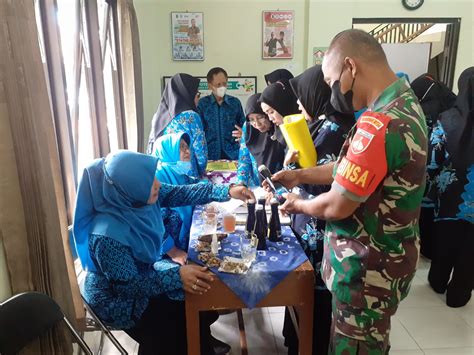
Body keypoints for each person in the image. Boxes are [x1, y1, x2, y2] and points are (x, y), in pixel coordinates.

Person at [273, 29, 427, 354]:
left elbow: (338, 205)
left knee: (355, 348)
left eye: (332, 82)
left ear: (351, 67)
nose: (333, 93)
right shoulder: (403, 103)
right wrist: (299, 174)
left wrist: (298, 204)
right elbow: (349, 171)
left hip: (366, 275)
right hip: (383, 263)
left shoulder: (380, 123)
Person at [73, 150, 254, 355]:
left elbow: (183, 192)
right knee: (174, 324)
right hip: (116, 297)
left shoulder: (138, 197)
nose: (158, 184)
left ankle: (202, 343)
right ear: (129, 188)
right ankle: (188, 344)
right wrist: (176, 276)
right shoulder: (107, 235)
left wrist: (228, 191)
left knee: (194, 299)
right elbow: (129, 287)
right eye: (149, 181)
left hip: (143, 271)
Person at [280, 65, 355, 355]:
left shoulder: (335, 129)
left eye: (301, 97)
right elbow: (303, 172)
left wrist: (294, 171)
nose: (298, 104)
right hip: (309, 219)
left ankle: (309, 345)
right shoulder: (322, 124)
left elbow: (320, 184)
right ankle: (299, 341)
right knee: (304, 292)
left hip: (320, 225)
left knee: (317, 298)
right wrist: (292, 167)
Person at [427, 67, 474, 308]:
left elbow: (434, 157)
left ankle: (438, 280)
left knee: (446, 237)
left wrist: (431, 181)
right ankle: (459, 294)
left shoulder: (446, 119)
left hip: (450, 193)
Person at [411, 73, 457, 259]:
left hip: (429, 166)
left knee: (425, 211)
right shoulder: (452, 104)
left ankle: (426, 249)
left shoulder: (424, 110)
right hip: (452, 172)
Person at [147, 73, 207, 177]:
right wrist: (201, 173)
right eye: (197, 94)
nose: (198, 98)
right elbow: (201, 155)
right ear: (188, 94)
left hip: (163, 175)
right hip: (187, 177)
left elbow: (150, 148)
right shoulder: (191, 116)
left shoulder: (157, 116)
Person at [153, 132, 196, 266]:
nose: (187, 151)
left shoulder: (179, 173)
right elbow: (153, 221)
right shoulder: (158, 176)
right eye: (181, 147)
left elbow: (193, 189)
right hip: (164, 253)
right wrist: (173, 251)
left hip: (181, 244)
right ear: (167, 151)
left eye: (187, 147)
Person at [236, 93, 286, 187]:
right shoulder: (248, 128)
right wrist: (241, 183)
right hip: (257, 185)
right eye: (251, 119)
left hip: (281, 184)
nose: (257, 124)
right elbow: (244, 159)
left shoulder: (280, 128)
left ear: (267, 115)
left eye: (260, 117)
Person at [197, 67, 246, 161]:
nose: (222, 87)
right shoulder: (202, 104)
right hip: (209, 156)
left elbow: (244, 125)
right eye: (218, 84)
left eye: (224, 84)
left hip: (233, 155)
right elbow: (199, 131)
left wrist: (243, 133)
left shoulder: (235, 103)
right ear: (210, 86)